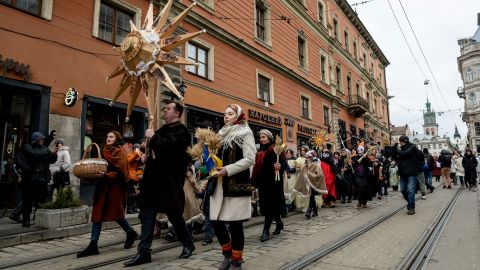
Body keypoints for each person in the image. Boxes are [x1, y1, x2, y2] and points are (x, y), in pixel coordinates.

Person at [124, 101, 194, 267]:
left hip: (168, 181)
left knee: (174, 215)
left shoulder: (182, 131)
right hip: (153, 180)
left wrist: (153, 136)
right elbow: (156, 150)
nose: (165, 111)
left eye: (168, 108)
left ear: (177, 113)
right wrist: (146, 157)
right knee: (147, 214)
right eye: (164, 108)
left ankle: (188, 244)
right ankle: (144, 252)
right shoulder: (161, 130)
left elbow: (170, 148)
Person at [208, 104, 255, 270]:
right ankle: (227, 253)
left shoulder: (245, 133)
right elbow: (214, 158)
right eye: (224, 113)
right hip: (218, 185)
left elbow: (250, 159)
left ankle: (236, 259)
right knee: (215, 221)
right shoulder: (220, 134)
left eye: (230, 113)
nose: (226, 116)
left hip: (236, 184)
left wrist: (228, 170)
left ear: (238, 115)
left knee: (235, 225)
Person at [77, 131, 138, 258]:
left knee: (117, 214)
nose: (108, 138)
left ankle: (130, 232)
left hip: (115, 187)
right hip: (103, 186)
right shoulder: (103, 150)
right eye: (107, 136)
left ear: (117, 139)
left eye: (111, 137)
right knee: (97, 214)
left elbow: (121, 173)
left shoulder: (120, 152)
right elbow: (99, 165)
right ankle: (93, 245)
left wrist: (106, 175)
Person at [251, 129, 286, 242]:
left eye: (264, 137)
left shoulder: (276, 149)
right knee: (268, 206)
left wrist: (280, 167)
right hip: (263, 183)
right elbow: (256, 169)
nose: (261, 139)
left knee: (271, 205)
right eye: (260, 137)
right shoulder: (259, 153)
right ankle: (279, 223)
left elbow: (284, 164)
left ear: (269, 138)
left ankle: (266, 230)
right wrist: (254, 183)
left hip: (274, 183)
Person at [17, 132, 58, 227]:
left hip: (42, 179)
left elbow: (51, 160)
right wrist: (49, 151)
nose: (43, 141)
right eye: (41, 139)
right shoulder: (27, 147)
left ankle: (38, 219)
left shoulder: (44, 148)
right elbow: (34, 154)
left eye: (43, 139)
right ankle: (26, 220)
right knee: (27, 201)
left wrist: (54, 154)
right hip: (29, 179)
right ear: (36, 140)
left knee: (41, 201)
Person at [294, 150, 327, 218]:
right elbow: (303, 174)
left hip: (314, 184)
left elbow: (319, 175)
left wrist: (309, 174)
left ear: (311, 157)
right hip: (308, 184)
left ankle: (309, 210)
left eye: (308, 157)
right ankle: (314, 211)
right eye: (306, 157)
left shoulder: (316, 165)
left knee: (311, 196)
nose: (306, 158)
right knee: (311, 197)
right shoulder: (306, 165)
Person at [391, 135, 418, 215]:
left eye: (401, 141)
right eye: (399, 141)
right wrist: (393, 150)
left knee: (410, 190)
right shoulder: (401, 149)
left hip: (412, 172)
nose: (400, 143)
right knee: (403, 189)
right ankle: (410, 203)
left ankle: (411, 207)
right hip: (403, 172)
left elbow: (403, 154)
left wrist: (396, 148)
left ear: (405, 140)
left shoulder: (413, 147)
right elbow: (397, 158)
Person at [123, 132, 142, 214]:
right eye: (137, 148)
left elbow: (140, 163)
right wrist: (136, 154)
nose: (138, 150)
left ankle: (134, 207)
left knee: (136, 193)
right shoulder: (131, 154)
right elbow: (129, 161)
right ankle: (129, 208)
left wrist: (140, 156)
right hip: (130, 177)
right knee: (131, 194)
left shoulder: (137, 154)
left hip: (136, 176)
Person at [320, 144, 337, 208]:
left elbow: (331, 161)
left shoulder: (330, 152)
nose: (323, 144)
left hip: (328, 168)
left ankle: (331, 201)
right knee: (323, 184)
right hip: (322, 168)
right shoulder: (320, 151)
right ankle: (324, 200)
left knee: (330, 183)